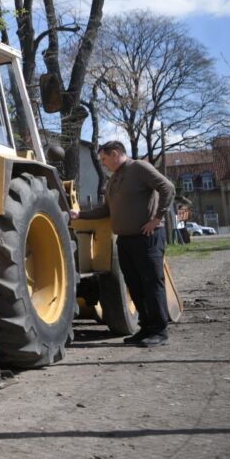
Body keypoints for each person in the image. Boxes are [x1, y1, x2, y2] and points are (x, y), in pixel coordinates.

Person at [69, 141, 176, 347]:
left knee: (151, 284)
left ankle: (159, 331)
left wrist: (156, 218)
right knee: (135, 286)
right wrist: (80, 214)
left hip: (147, 238)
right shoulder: (114, 179)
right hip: (125, 241)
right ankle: (145, 328)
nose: (103, 163)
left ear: (115, 153)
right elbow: (106, 210)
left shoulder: (139, 168)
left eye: (104, 159)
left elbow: (167, 188)